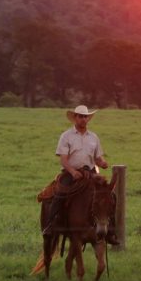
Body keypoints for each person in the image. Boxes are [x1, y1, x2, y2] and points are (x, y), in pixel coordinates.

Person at [47, 105, 119, 245]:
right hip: (71, 172)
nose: (83, 119)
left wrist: (102, 163)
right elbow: (63, 159)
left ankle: (111, 232)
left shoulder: (93, 137)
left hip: (91, 173)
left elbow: (97, 158)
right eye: (80, 116)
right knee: (59, 194)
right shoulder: (66, 136)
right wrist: (73, 172)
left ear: (88, 119)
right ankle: (51, 225)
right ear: (75, 118)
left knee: (110, 196)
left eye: (85, 116)